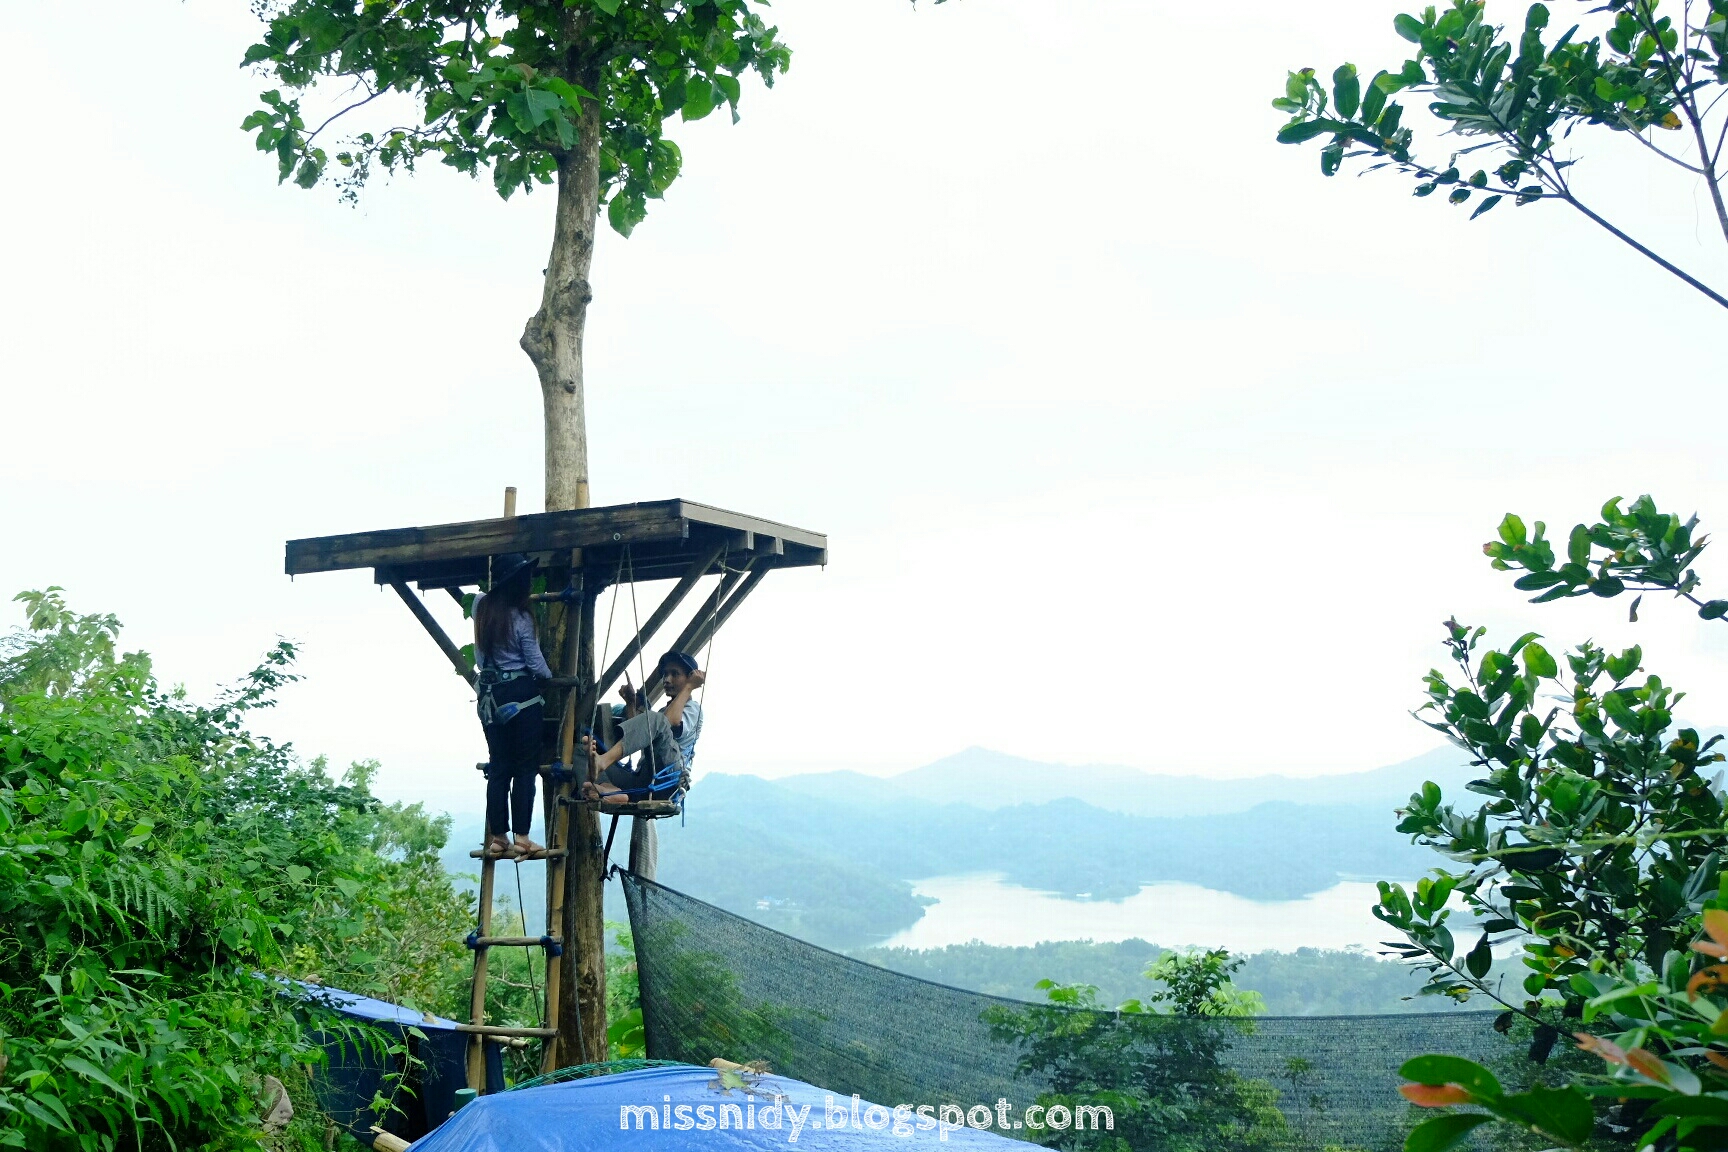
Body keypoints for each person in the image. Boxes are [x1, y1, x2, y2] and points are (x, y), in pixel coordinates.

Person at [472, 553, 551, 858]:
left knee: (499, 766)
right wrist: (548, 676)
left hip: (489, 695)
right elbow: (536, 664)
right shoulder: (521, 618)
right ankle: (522, 836)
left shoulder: (482, 609)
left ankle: (497, 836)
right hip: (522, 696)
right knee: (525, 768)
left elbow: (481, 656)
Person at [580, 650, 705, 805]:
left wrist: (689, 687)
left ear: (689, 678)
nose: (667, 679)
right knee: (581, 749)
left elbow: (670, 721)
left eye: (675, 674)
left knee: (656, 719)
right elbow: (639, 738)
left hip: (668, 781)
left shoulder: (693, 709)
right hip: (644, 781)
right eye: (665, 674)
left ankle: (603, 762)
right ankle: (607, 789)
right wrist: (631, 703)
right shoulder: (662, 714)